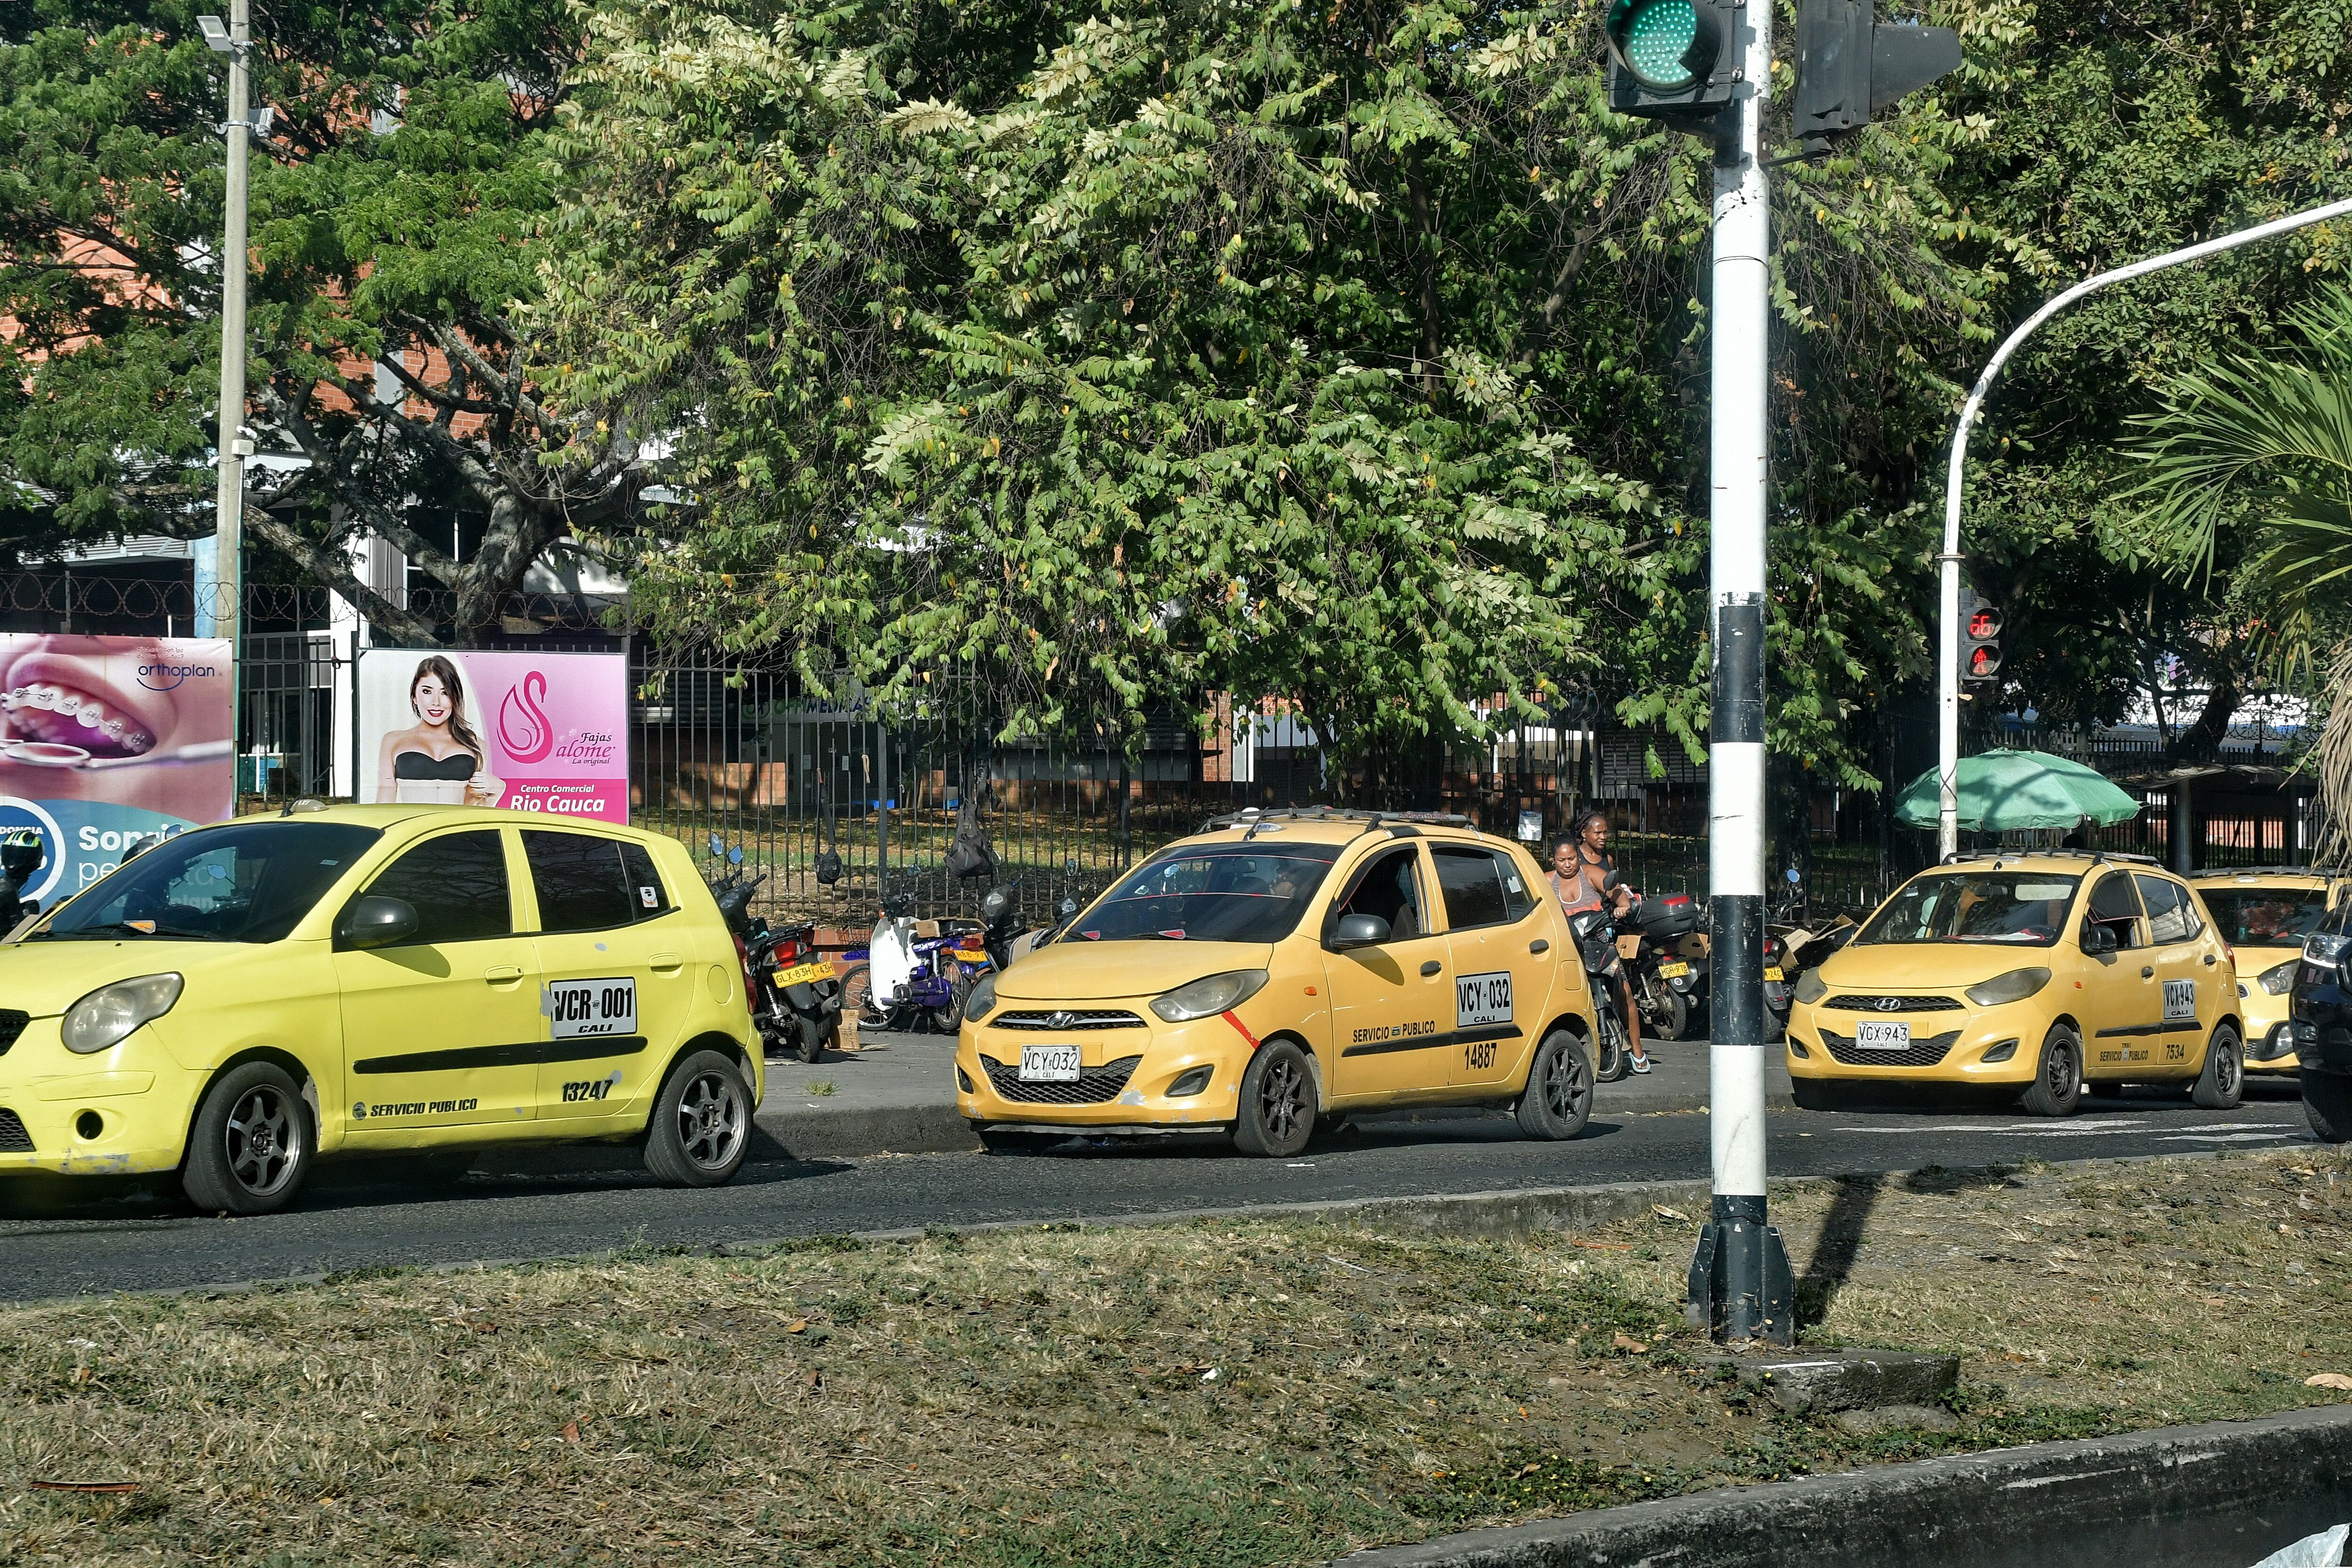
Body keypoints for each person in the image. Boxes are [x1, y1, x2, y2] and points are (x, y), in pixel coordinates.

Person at [1551, 810, 1649, 1073]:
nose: (1568, 865)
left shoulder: (1591, 873)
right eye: (1562, 861)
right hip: (1570, 948)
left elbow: (1619, 894)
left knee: (1625, 992)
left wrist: (1622, 907)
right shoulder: (1547, 881)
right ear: (1554, 861)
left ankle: (1638, 1052)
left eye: (1572, 859)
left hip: (1600, 942)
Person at [375, 654, 505, 806]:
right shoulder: (393, 741)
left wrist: (498, 790)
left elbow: (475, 811)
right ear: (414, 697)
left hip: (456, 829)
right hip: (412, 829)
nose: (436, 703)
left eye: (445, 693)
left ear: (455, 698)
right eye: (427, 692)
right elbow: (383, 806)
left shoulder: (475, 744)